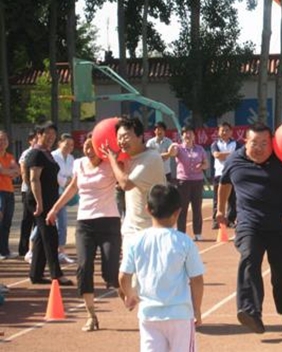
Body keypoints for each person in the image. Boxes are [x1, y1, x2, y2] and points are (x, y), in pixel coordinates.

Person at [215, 123, 282, 334]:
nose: (260, 148)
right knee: (249, 258)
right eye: (255, 142)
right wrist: (220, 210)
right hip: (248, 223)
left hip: (279, 225)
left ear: (272, 143)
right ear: (246, 141)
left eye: (265, 143)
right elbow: (224, 184)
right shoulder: (234, 160)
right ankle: (250, 312)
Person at [47, 135, 122, 332]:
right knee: (83, 267)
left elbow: (124, 182)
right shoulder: (79, 164)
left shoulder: (109, 164)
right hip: (85, 223)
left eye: (91, 146)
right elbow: (72, 188)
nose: (87, 150)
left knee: (110, 272)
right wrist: (55, 209)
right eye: (85, 146)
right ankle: (91, 316)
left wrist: (113, 158)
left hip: (109, 222)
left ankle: (122, 288)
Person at [119, 184, 204, 352]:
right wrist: (197, 309)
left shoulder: (135, 241)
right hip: (180, 314)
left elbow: (123, 276)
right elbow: (197, 279)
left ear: (148, 209)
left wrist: (130, 295)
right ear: (178, 212)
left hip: (149, 314)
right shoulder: (184, 242)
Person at [102, 116, 166, 248]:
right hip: (131, 229)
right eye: (119, 137)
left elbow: (126, 184)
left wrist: (113, 160)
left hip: (152, 230)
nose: (121, 141)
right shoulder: (128, 158)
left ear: (140, 136)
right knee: (126, 269)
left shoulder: (152, 157)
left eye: (125, 136)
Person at [26, 121, 72, 285]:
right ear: (39, 135)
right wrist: (39, 203)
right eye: (47, 134)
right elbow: (34, 179)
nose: (51, 137)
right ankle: (56, 274)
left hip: (50, 200)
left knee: (41, 236)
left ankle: (36, 274)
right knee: (51, 236)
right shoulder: (36, 154)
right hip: (41, 202)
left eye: (53, 135)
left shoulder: (47, 153)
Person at [168, 126, 209, 241]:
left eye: (190, 133)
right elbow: (171, 154)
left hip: (197, 181)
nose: (188, 135)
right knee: (183, 208)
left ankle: (198, 233)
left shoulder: (200, 149)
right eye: (185, 133)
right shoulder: (179, 148)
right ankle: (181, 232)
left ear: (194, 135)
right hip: (183, 182)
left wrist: (201, 166)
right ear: (182, 136)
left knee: (197, 207)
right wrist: (172, 145)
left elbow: (206, 164)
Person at [211, 122, 241, 229]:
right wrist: (231, 154)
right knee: (217, 199)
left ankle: (230, 220)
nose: (224, 132)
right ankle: (216, 220)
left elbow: (239, 156)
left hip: (233, 173)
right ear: (218, 132)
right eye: (222, 130)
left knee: (233, 199)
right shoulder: (215, 144)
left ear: (231, 132)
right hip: (219, 174)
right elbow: (217, 155)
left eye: (227, 130)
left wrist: (226, 155)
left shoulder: (236, 144)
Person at [52, 133, 76, 264]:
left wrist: (69, 181)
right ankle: (32, 249)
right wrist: (66, 181)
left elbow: (73, 174)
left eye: (71, 145)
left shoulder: (71, 158)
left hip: (65, 193)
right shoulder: (53, 156)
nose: (69, 147)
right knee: (47, 222)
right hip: (53, 192)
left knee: (62, 223)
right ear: (59, 143)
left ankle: (61, 251)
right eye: (66, 144)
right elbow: (56, 175)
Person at [0, 130, 20, 260]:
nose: (2, 143)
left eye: (4, 140)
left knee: (7, 222)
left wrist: (5, 171)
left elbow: (17, 171)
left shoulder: (10, 156)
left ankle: (5, 250)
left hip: (9, 191)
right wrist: (8, 172)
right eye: (0, 140)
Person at [18, 129, 37, 259]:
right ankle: (23, 249)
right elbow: (23, 172)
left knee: (37, 221)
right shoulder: (27, 153)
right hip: (28, 191)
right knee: (27, 220)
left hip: (38, 190)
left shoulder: (41, 152)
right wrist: (30, 188)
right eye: (34, 138)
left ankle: (34, 248)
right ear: (30, 140)